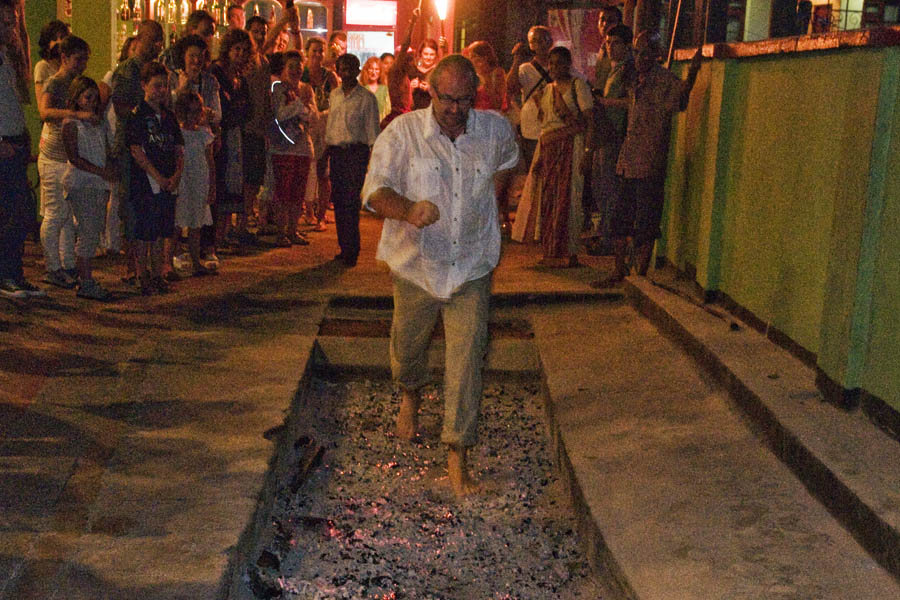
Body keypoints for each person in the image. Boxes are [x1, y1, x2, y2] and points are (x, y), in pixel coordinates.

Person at [363, 55, 519, 497]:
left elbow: (508, 161)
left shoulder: (494, 130)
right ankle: (410, 392)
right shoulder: (403, 133)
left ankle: (457, 453)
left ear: (475, 96)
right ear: (430, 91)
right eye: (447, 98)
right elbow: (374, 191)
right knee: (408, 344)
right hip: (417, 265)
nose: (455, 108)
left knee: (468, 357)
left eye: (464, 99)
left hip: (471, 264)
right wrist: (408, 210)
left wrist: (497, 204)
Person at [593, 31, 701, 287]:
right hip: (629, 158)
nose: (640, 57)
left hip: (650, 160)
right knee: (620, 218)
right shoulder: (633, 80)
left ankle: (640, 276)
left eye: (645, 52)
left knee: (646, 220)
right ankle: (619, 271)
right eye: (637, 51)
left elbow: (681, 100)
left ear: (656, 54)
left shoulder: (664, 81)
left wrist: (693, 75)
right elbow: (630, 108)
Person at [528, 46, 592, 267]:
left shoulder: (578, 86)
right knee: (549, 200)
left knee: (570, 198)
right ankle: (551, 251)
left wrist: (587, 153)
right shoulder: (547, 90)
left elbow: (588, 121)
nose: (554, 67)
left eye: (559, 63)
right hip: (550, 149)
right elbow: (545, 125)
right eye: (551, 63)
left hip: (571, 146)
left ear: (568, 64)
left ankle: (570, 254)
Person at [112, 20, 165, 284]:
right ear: (139, 38)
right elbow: (121, 105)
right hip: (133, 147)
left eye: (160, 40)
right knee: (131, 205)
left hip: (154, 148)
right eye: (152, 39)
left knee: (152, 207)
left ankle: (151, 267)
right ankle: (132, 267)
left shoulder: (159, 70)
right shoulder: (127, 70)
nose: (157, 45)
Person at [125, 61, 184, 295]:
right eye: (156, 85)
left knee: (161, 230)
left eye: (164, 86)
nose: (161, 90)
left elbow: (179, 148)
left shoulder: (168, 117)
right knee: (144, 231)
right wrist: (158, 176)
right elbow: (136, 150)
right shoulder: (138, 115)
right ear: (144, 85)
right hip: (147, 182)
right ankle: (142, 274)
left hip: (167, 180)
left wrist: (176, 174)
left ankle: (158, 272)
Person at [0, 0, 46, 299]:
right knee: (10, 212)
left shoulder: (8, 56)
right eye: (5, 23)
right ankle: (7, 276)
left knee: (20, 212)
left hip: (15, 140)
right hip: (4, 144)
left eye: (13, 22)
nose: (11, 28)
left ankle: (15, 273)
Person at [38, 35, 92, 289]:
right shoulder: (56, 82)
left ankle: (68, 264)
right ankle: (52, 266)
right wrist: (74, 113)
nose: (82, 65)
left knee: (68, 214)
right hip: (53, 156)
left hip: (68, 156)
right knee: (55, 213)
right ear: (64, 58)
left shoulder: (75, 83)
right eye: (78, 60)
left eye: (85, 60)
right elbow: (44, 112)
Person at [61, 75, 116, 300]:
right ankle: (85, 281)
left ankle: (86, 277)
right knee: (88, 232)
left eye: (95, 98)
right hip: (82, 182)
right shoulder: (71, 124)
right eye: (88, 97)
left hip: (97, 182)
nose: (93, 102)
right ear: (77, 98)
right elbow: (74, 157)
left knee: (92, 231)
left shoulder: (98, 123)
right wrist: (99, 171)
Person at [324, 53, 379, 267]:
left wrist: (372, 162)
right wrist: (326, 152)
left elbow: (372, 132)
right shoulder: (335, 95)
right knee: (338, 200)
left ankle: (352, 249)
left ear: (357, 71)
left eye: (350, 69)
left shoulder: (366, 98)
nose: (345, 73)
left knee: (350, 200)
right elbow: (331, 126)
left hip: (356, 153)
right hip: (337, 152)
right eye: (342, 69)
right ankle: (343, 246)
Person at [585, 24, 632, 254]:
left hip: (615, 134)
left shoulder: (628, 70)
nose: (610, 47)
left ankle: (609, 241)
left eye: (615, 43)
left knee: (610, 188)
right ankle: (603, 234)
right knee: (599, 187)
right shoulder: (612, 69)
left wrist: (605, 103)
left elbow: (631, 102)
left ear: (627, 45)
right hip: (604, 133)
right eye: (607, 42)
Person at [210, 28, 253, 252]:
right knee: (217, 186)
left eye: (245, 51)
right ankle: (212, 241)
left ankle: (223, 235)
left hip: (235, 136)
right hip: (218, 137)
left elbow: (248, 109)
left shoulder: (240, 79)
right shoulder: (215, 73)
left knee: (232, 186)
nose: (240, 54)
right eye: (237, 49)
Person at [269, 50, 316, 246]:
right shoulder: (278, 89)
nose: (296, 70)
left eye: (299, 66)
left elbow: (314, 116)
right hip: (282, 147)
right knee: (283, 192)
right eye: (291, 66)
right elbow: (279, 114)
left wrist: (305, 111)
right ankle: (281, 232)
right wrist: (299, 107)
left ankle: (293, 229)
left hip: (303, 147)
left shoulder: (306, 89)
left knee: (298, 192)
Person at [172, 90, 216, 276]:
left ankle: (196, 260)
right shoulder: (178, 133)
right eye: (190, 111)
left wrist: (212, 185)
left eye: (197, 111)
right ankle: (170, 261)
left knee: (196, 223)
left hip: (199, 180)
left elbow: (210, 161)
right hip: (183, 181)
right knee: (177, 221)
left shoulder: (204, 134)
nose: (194, 116)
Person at [302, 36, 339, 231]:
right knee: (307, 169)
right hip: (307, 124)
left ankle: (322, 215)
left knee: (323, 171)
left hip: (326, 124)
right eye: (314, 50)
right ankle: (307, 210)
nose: (317, 54)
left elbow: (339, 99)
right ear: (307, 52)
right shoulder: (302, 74)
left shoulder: (330, 76)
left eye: (320, 51)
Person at [463, 40, 506, 111]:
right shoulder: (473, 75)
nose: (471, 60)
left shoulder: (497, 73)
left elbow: (497, 103)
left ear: (485, 57)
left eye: (473, 56)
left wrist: (484, 77)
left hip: (490, 117)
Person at [33, 19, 69, 102]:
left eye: (63, 37)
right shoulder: (43, 66)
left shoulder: (68, 65)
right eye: (54, 38)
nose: (60, 42)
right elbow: (42, 102)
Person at [359, 55, 390, 122]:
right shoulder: (361, 89)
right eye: (371, 69)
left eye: (376, 69)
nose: (374, 72)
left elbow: (388, 111)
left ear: (380, 71)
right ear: (366, 70)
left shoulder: (385, 89)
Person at [411, 38, 439, 109]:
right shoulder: (413, 71)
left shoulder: (438, 71)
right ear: (421, 54)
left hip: (432, 111)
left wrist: (430, 89)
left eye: (432, 54)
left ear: (436, 55)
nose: (428, 57)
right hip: (415, 111)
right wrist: (411, 87)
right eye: (426, 54)